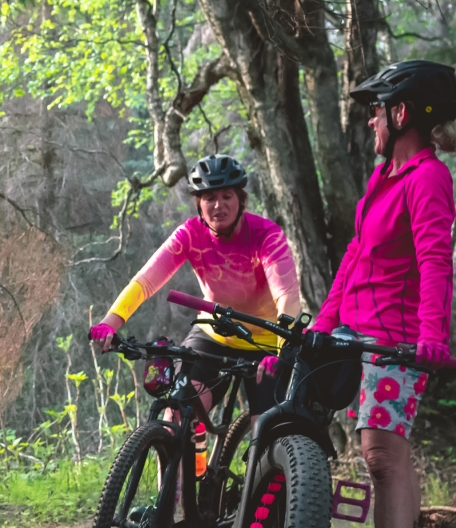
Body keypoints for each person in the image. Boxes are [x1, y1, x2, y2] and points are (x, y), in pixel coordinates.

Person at [315, 60, 456, 528]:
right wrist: (325, 324)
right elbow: (356, 259)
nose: (370, 121)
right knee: (383, 456)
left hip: (398, 341)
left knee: (380, 455)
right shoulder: (385, 179)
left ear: (401, 114)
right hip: (357, 334)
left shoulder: (429, 178)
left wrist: (432, 337)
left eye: (376, 111)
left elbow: (434, 260)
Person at [89, 155, 302, 431]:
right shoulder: (189, 235)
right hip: (213, 334)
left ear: (241, 201)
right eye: (209, 197)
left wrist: (284, 347)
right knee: (178, 416)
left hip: (266, 343)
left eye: (227, 196)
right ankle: (187, 472)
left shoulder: (266, 236)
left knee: (268, 429)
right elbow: (145, 281)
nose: (218, 205)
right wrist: (110, 322)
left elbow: (286, 294)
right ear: (198, 203)